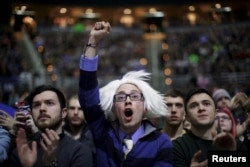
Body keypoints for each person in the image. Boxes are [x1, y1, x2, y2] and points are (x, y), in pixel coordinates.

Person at [78, 21, 173, 167]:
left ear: (145, 107)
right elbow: (87, 94)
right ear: (114, 108)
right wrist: (93, 41)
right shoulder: (103, 134)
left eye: (135, 96)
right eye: (121, 97)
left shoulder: (161, 142)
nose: (128, 101)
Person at [9, 85, 93, 167]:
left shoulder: (79, 151)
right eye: (36, 105)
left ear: (63, 113)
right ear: (31, 114)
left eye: (49, 103)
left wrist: (51, 163)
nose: (42, 108)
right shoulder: (22, 151)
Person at [173, 87, 247, 167]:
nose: (201, 108)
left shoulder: (234, 145)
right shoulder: (177, 147)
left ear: (216, 112)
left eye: (206, 104)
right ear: (186, 117)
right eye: (193, 106)